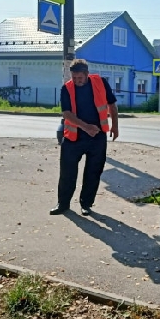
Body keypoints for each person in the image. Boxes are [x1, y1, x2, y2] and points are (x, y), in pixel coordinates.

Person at [50, 59, 119, 216]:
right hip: (74, 137)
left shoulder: (100, 82)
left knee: (93, 172)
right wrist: (86, 127)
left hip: (97, 137)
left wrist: (115, 126)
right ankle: (63, 204)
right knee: (67, 172)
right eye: (74, 77)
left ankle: (86, 204)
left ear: (87, 74)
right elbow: (66, 113)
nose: (76, 81)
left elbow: (112, 105)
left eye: (79, 78)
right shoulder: (66, 88)